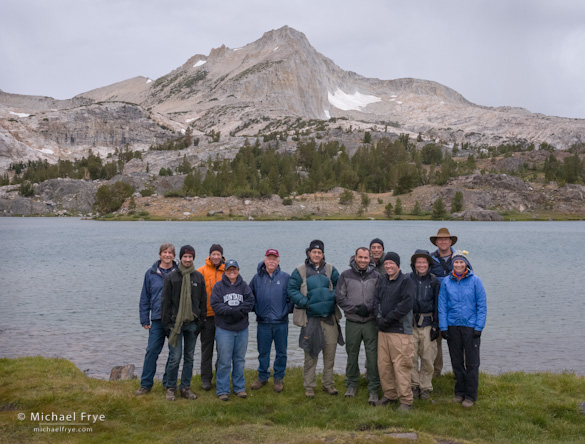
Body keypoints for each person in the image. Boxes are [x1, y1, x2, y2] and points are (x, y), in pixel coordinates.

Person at [288, 239, 341, 398]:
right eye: (314, 252)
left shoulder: (331, 269)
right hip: (310, 320)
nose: (316, 254)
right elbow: (291, 290)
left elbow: (340, 286)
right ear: (309, 253)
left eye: (319, 252)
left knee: (329, 355)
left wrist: (332, 298)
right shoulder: (300, 270)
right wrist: (305, 302)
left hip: (329, 319)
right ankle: (309, 387)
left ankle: (328, 384)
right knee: (311, 355)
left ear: (323, 254)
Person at [439, 250, 486, 408]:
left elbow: (482, 306)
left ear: (466, 263)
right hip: (453, 326)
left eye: (461, 262)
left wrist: (478, 327)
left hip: (471, 327)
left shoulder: (475, 281)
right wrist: (444, 327)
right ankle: (459, 392)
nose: (458, 265)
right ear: (452, 264)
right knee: (457, 362)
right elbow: (442, 305)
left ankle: (470, 395)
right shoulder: (446, 282)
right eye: (456, 262)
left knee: (472, 363)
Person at [335, 246, 381, 405]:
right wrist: (355, 309)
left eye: (366, 258)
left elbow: (379, 298)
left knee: (373, 356)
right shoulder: (345, 275)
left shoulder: (377, 276)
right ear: (355, 257)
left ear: (370, 259)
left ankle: (374, 388)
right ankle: (351, 384)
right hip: (352, 322)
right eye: (360, 257)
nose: (362, 260)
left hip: (370, 323)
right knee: (352, 354)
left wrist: (368, 308)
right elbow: (340, 297)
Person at [161, 245, 207, 401]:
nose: (187, 260)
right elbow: (165, 303)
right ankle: (170, 387)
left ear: (193, 258)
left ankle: (185, 387)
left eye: (190, 257)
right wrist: (166, 325)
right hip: (175, 324)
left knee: (189, 357)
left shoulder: (198, 277)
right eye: (185, 257)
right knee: (175, 357)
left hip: (192, 324)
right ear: (179, 258)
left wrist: (201, 322)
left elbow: (203, 301)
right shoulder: (171, 277)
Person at [373, 252, 415, 411]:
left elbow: (406, 304)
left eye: (391, 263)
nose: (388, 266)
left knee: (401, 366)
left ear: (397, 265)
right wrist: (378, 317)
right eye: (386, 263)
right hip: (383, 331)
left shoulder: (406, 281)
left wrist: (388, 319)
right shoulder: (382, 281)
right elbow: (375, 300)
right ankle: (390, 395)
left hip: (400, 331)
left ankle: (406, 400)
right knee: (384, 366)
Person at [136, 243, 178, 396]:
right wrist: (144, 319)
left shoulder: (179, 272)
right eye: (165, 252)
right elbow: (144, 298)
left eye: (170, 253)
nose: (167, 255)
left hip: (174, 320)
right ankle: (145, 384)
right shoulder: (151, 273)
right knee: (152, 351)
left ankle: (168, 384)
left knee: (174, 354)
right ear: (160, 254)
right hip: (157, 319)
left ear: (174, 256)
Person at [210, 259, 255, 401]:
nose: (232, 272)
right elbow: (215, 305)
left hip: (242, 329)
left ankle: (239, 387)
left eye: (234, 269)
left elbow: (250, 301)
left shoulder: (244, 286)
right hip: (224, 329)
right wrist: (231, 311)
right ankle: (222, 390)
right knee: (224, 360)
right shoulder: (218, 287)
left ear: (238, 270)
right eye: (229, 269)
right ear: (225, 271)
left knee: (239, 359)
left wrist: (240, 311)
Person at [250, 249, 292, 393]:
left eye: (274, 258)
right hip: (263, 323)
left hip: (281, 323)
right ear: (265, 260)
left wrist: (286, 310)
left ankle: (279, 377)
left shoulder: (286, 277)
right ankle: (262, 376)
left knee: (281, 352)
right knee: (263, 351)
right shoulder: (257, 278)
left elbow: (292, 296)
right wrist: (257, 310)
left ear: (278, 260)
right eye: (269, 258)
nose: (272, 261)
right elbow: (250, 297)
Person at [409, 249, 440, 400]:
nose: (421, 265)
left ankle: (425, 387)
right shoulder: (408, 280)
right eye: (418, 262)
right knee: (411, 357)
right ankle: (414, 386)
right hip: (411, 325)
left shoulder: (434, 281)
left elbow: (437, 305)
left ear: (429, 264)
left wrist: (436, 326)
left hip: (428, 324)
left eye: (424, 262)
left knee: (428, 358)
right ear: (414, 264)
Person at [429, 227, 459, 377]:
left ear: (450, 241)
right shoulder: (429, 258)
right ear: (436, 242)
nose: (442, 241)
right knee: (435, 342)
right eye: (439, 239)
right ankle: (436, 373)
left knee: (457, 343)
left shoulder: (459, 259)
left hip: (454, 309)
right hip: (435, 308)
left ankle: (458, 373)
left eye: (445, 239)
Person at [197, 243, 225, 391]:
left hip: (222, 318)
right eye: (213, 254)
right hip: (207, 317)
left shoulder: (227, 271)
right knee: (206, 350)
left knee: (222, 350)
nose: (215, 257)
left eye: (218, 254)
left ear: (221, 256)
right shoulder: (201, 271)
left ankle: (221, 377)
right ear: (210, 255)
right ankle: (206, 379)